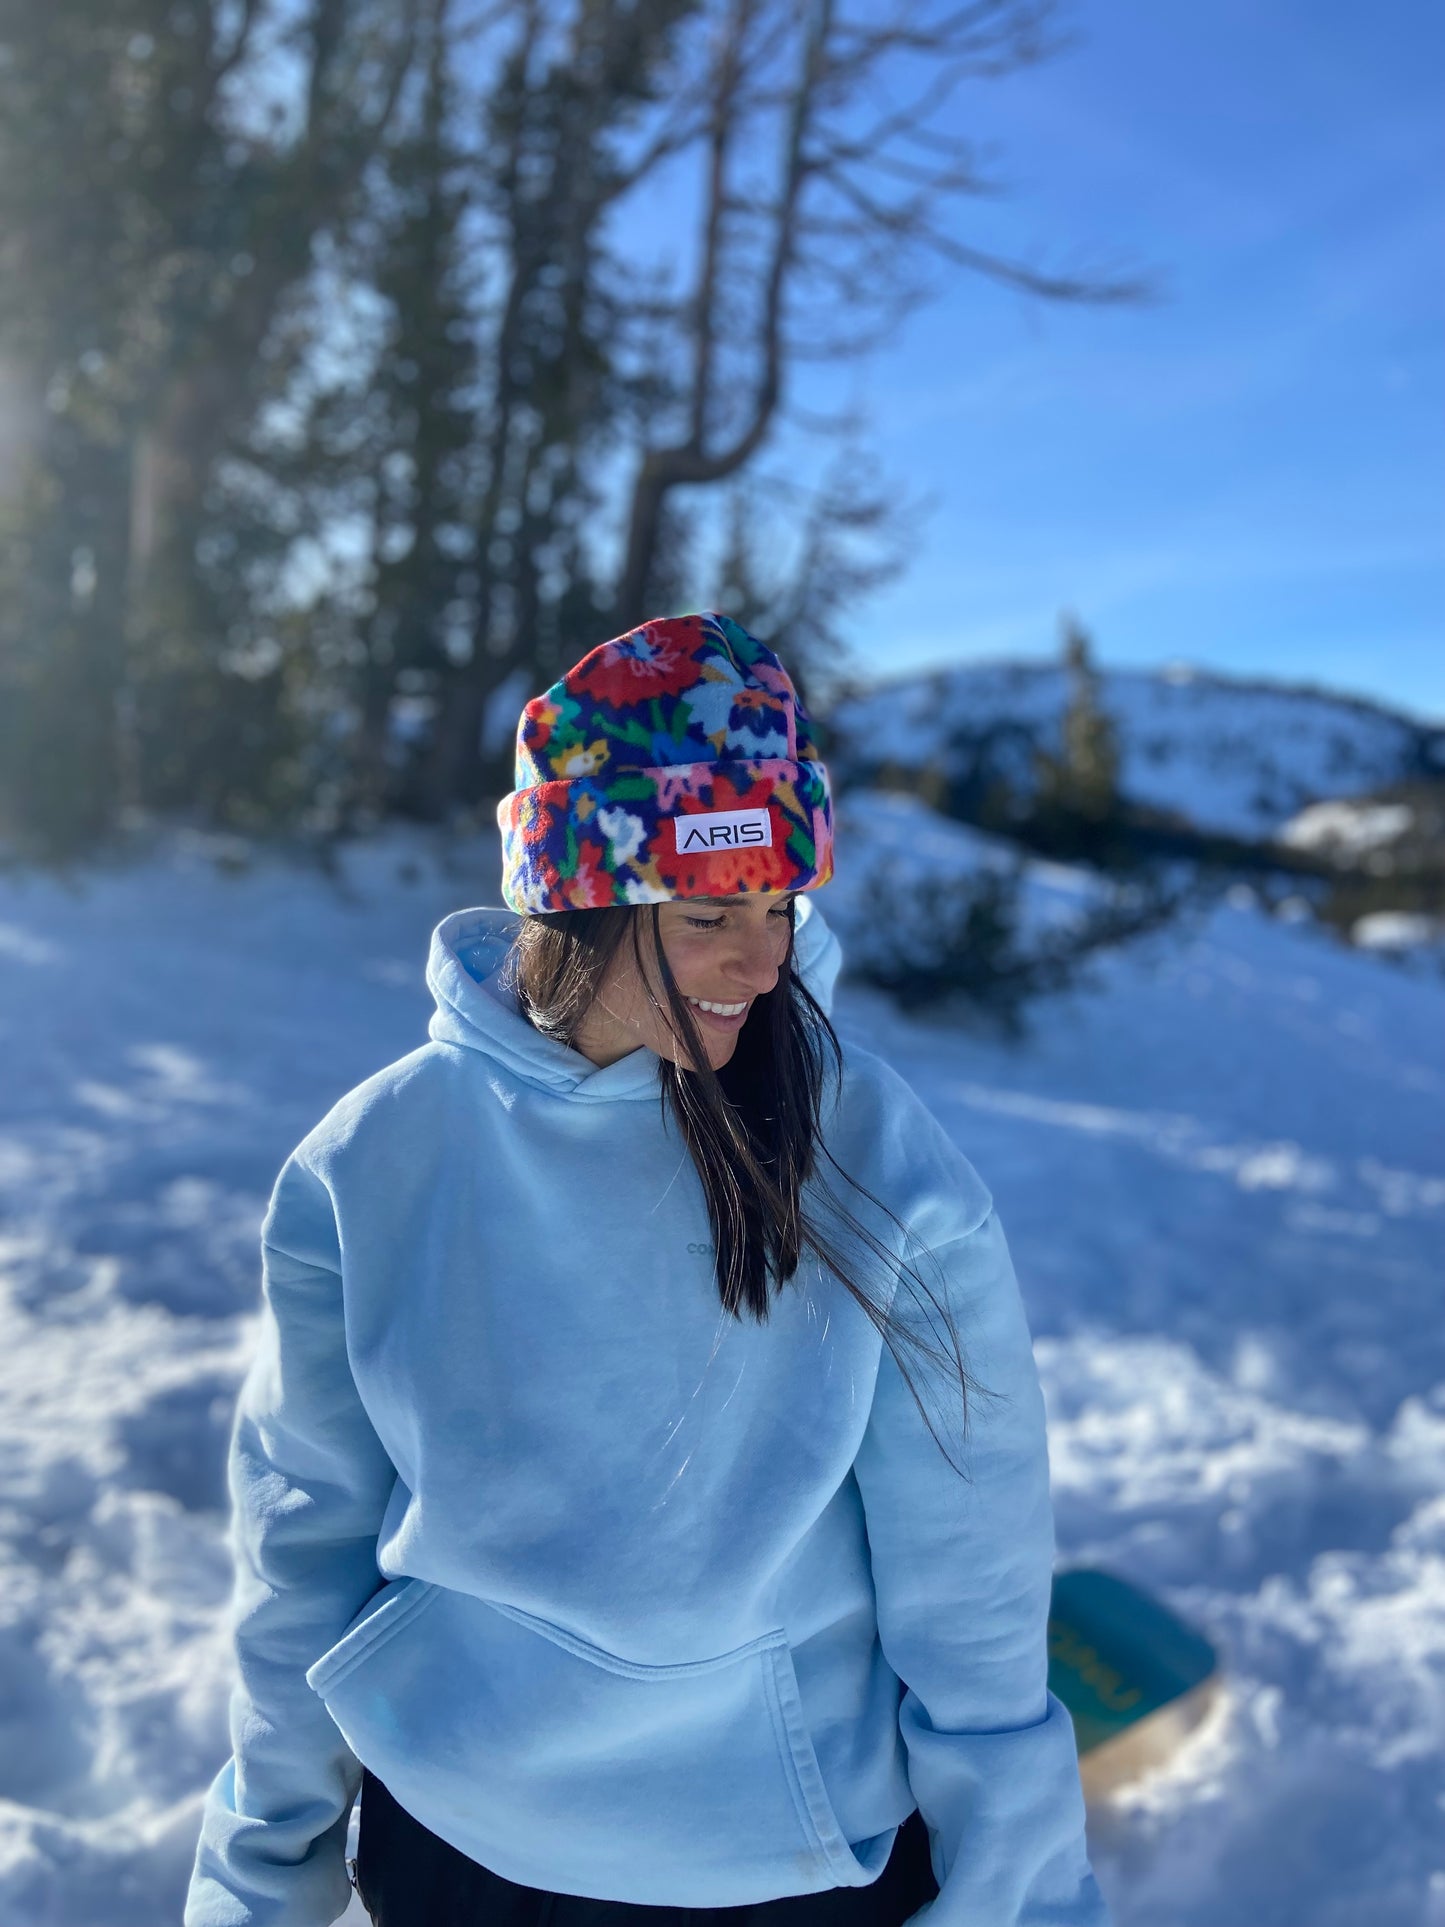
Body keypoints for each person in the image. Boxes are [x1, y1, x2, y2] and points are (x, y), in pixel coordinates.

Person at [184, 611, 1111, 1927]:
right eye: (707, 911)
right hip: (457, 1855)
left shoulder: (867, 1157)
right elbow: (301, 1541)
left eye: (781, 903)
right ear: (579, 894)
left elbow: (969, 1581)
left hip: (777, 1873)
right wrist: (259, 1869)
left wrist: (1015, 1899)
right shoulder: (374, 1158)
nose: (764, 957)